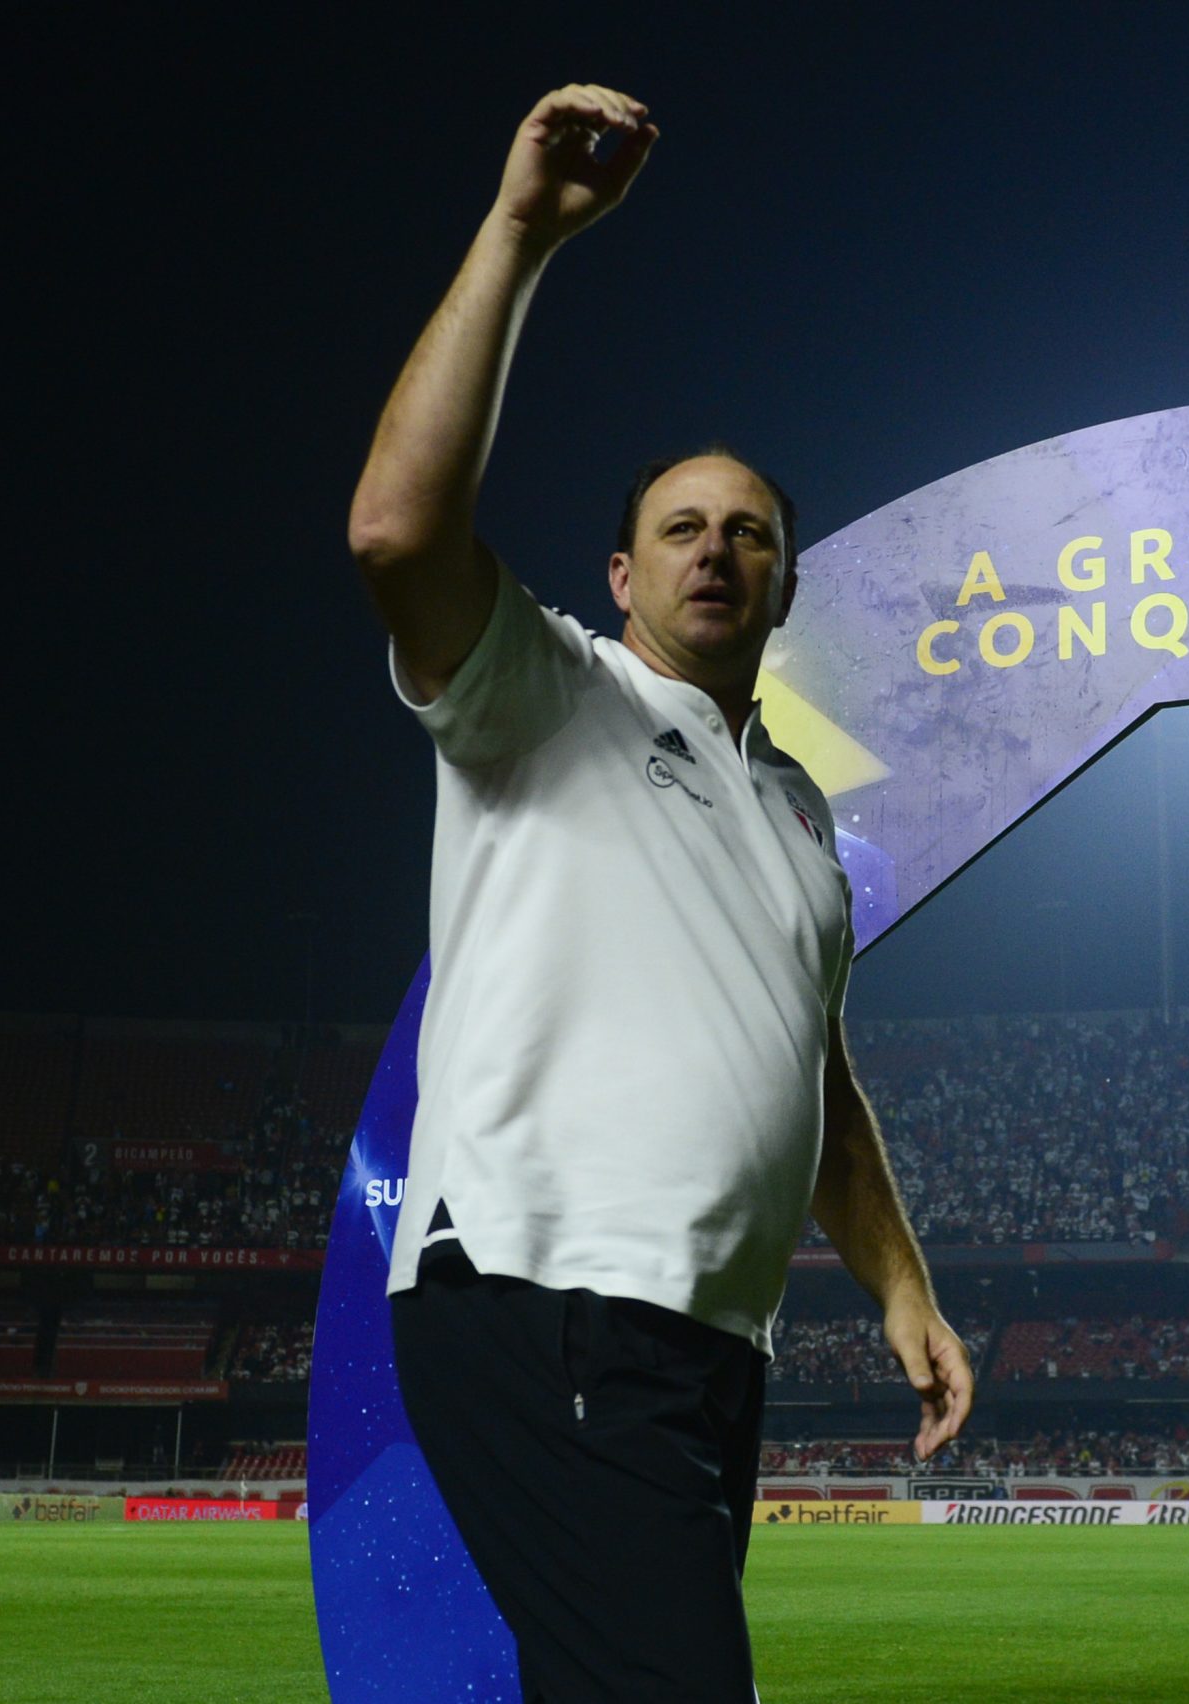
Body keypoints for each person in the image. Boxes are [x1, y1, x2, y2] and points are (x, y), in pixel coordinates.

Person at [348, 84, 973, 1701]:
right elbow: (396, 527)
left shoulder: (797, 811)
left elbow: (813, 1075)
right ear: (619, 576)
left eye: (749, 534)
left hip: (708, 1340)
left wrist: (901, 1281)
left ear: (786, 579)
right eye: (679, 529)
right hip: (551, 1293)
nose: (715, 551)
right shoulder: (546, 694)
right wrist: (519, 236)